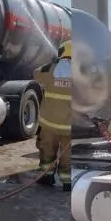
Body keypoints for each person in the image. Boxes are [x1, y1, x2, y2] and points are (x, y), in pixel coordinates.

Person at [33, 39, 73, 191]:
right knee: (67, 156)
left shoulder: (49, 70)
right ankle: (67, 183)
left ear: (61, 52)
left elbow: (35, 74)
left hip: (49, 124)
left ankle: (47, 176)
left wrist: (50, 64)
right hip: (69, 127)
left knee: (47, 151)